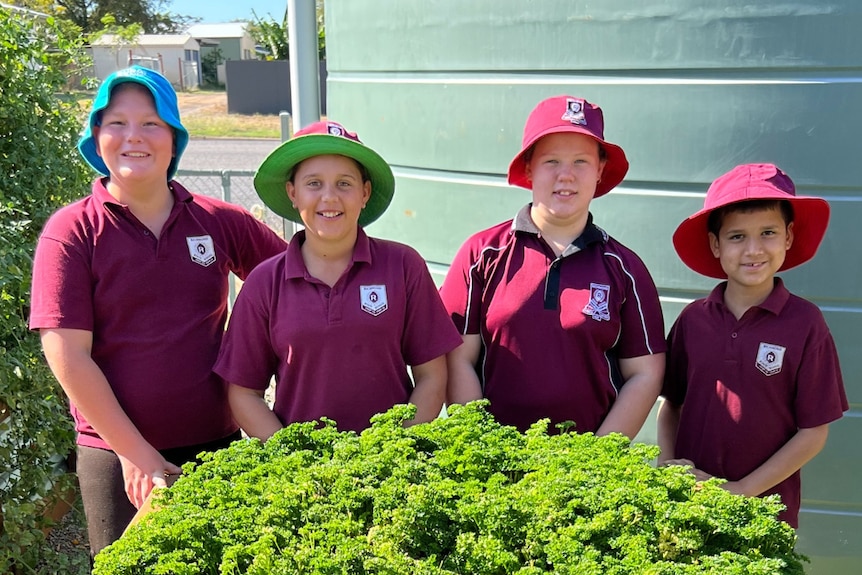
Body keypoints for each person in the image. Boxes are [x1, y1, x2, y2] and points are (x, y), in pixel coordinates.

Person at [28, 66, 286, 555]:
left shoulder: (218, 221)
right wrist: (138, 456)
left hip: (217, 446)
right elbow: (68, 356)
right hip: (114, 451)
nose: (134, 137)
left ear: (174, 137)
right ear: (96, 136)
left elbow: (294, 286)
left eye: (151, 123)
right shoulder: (72, 232)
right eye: (117, 123)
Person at [213, 121, 462, 439]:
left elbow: (432, 375)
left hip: (392, 470)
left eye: (344, 184)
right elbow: (244, 393)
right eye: (313, 183)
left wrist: (397, 447)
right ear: (293, 193)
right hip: (302, 478)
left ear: (365, 193)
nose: (329, 197)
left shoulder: (403, 266)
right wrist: (292, 459)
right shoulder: (264, 283)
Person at [439, 95, 666, 437]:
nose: (566, 176)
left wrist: (598, 459)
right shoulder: (481, 254)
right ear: (528, 168)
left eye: (580, 162)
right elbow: (457, 359)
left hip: (586, 473)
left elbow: (645, 374)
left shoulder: (626, 269)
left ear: (600, 171)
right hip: (496, 471)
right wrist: (484, 447)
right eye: (551, 162)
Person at [657, 163, 848, 528]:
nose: (753, 249)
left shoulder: (807, 324)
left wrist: (742, 489)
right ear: (715, 244)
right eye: (736, 237)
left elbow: (813, 433)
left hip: (766, 515)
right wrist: (668, 466)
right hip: (689, 507)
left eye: (768, 232)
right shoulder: (693, 320)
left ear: (789, 237)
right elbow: (671, 405)